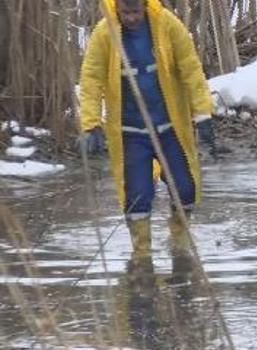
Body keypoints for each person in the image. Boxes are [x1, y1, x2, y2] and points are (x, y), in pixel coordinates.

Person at [79, 0, 214, 263]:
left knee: (185, 189)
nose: (131, 18)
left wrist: (203, 113)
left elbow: (191, 69)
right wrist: (91, 124)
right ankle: (141, 256)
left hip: (169, 129)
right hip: (130, 134)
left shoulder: (167, 25)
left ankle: (180, 243)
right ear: (116, 8)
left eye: (136, 12)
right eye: (125, 12)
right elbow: (91, 80)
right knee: (137, 197)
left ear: (145, 6)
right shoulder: (104, 33)